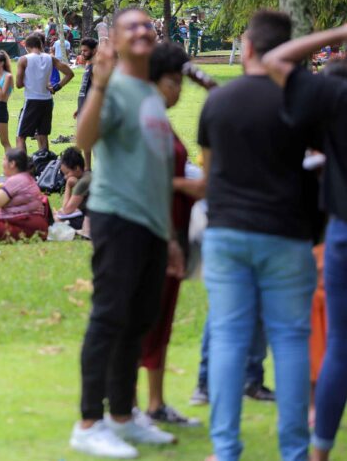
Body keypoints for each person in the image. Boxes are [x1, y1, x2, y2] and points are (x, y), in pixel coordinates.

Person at [197, 10, 319, 461]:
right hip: (286, 231)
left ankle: (225, 449)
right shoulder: (298, 101)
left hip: (228, 230)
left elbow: (210, 174)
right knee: (290, 340)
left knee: (229, 337)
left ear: (247, 47)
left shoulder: (219, 102)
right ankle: (294, 451)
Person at [70, 7, 179, 459]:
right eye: (131, 25)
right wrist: (97, 82)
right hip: (118, 218)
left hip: (152, 226)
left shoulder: (150, 94)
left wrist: (170, 236)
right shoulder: (112, 88)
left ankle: (122, 415)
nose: (142, 30)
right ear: (114, 37)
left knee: (138, 322)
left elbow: (156, 169)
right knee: (109, 318)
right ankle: (89, 422)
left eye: (148, 25)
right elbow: (83, 138)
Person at [262, 24, 347, 461]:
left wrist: (339, 32)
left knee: (340, 345)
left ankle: (319, 453)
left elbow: (275, 59)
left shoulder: (337, 98)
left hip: (342, 229)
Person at [134, 41, 209, 428]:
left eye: (181, 81)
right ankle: (128, 403)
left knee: (161, 319)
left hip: (174, 228)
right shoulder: (146, 119)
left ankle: (156, 402)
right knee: (143, 319)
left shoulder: (161, 119)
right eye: (171, 81)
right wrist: (186, 187)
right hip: (157, 232)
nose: (178, 90)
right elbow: (147, 178)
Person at [0, 148, 49, 244]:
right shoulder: (27, 178)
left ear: (12, 164)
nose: (2, 163)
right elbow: (2, 202)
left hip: (27, 229)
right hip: (38, 229)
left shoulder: (15, 180)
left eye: (4, 160)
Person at [15, 34, 74, 153]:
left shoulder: (24, 59)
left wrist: (32, 81)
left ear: (27, 47)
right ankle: (45, 165)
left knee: (21, 136)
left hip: (32, 100)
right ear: (40, 45)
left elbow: (19, 84)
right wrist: (56, 87)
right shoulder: (50, 58)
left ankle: (22, 167)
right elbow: (69, 73)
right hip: (47, 100)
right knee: (43, 134)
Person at [74, 38, 98, 171]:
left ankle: (99, 169)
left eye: (86, 50)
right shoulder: (88, 65)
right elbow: (85, 88)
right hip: (83, 108)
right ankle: (88, 169)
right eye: (82, 50)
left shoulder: (95, 67)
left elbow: (97, 89)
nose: (83, 53)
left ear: (94, 50)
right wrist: (79, 108)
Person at [55, 147, 91, 232]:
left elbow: (66, 210)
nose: (65, 177)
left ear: (77, 169)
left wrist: (68, 186)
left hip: (96, 220)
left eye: (67, 173)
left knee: (57, 219)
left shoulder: (83, 183)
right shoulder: (88, 175)